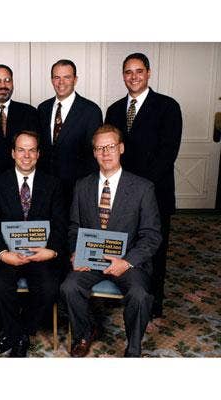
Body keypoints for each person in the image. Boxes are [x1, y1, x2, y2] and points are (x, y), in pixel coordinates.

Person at [60, 124, 162, 357]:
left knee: (140, 295)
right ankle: (85, 332)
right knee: (68, 287)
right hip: (91, 260)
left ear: (121, 148)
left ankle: (133, 348)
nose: (106, 153)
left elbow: (151, 235)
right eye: (100, 148)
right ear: (94, 152)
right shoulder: (82, 185)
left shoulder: (143, 188)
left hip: (127, 261)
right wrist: (76, 253)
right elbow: (74, 227)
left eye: (111, 147)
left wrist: (126, 262)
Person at [105, 53, 182, 318]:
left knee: (154, 249)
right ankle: (120, 291)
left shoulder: (167, 106)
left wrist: (137, 188)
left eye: (139, 71)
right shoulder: (114, 110)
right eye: (128, 72)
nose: (134, 76)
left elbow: (167, 153)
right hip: (120, 195)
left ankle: (152, 303)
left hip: (155, 192)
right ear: (123, 75)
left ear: (148, 73)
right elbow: (109, 151)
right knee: (122, 244)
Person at [0, 130, 67, 357]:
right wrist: (3, 253)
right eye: (21, 150)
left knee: (50, 288)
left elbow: (60, 223)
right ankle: (18, 334)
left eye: (31, 150)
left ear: (39, 154)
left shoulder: (53, 184)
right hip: (8, 254)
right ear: (13, 153)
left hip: (40, 254)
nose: (26, 156)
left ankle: (18, 330)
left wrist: (51, 251)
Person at [37, 59, 103, 206]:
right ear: (51, 80)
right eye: (57, 77)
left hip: (76, 190)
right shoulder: (42, 109)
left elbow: (94, 156)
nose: (61, 82)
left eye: (67, 77)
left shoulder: (91, 111)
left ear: (75, 79)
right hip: (46, 189)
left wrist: (86, 190)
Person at [0, 64, 39, 179]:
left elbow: (36, 150)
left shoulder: (29, 112)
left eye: (7, 80)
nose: (3, 85)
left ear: (13, 83)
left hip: (22, 182)